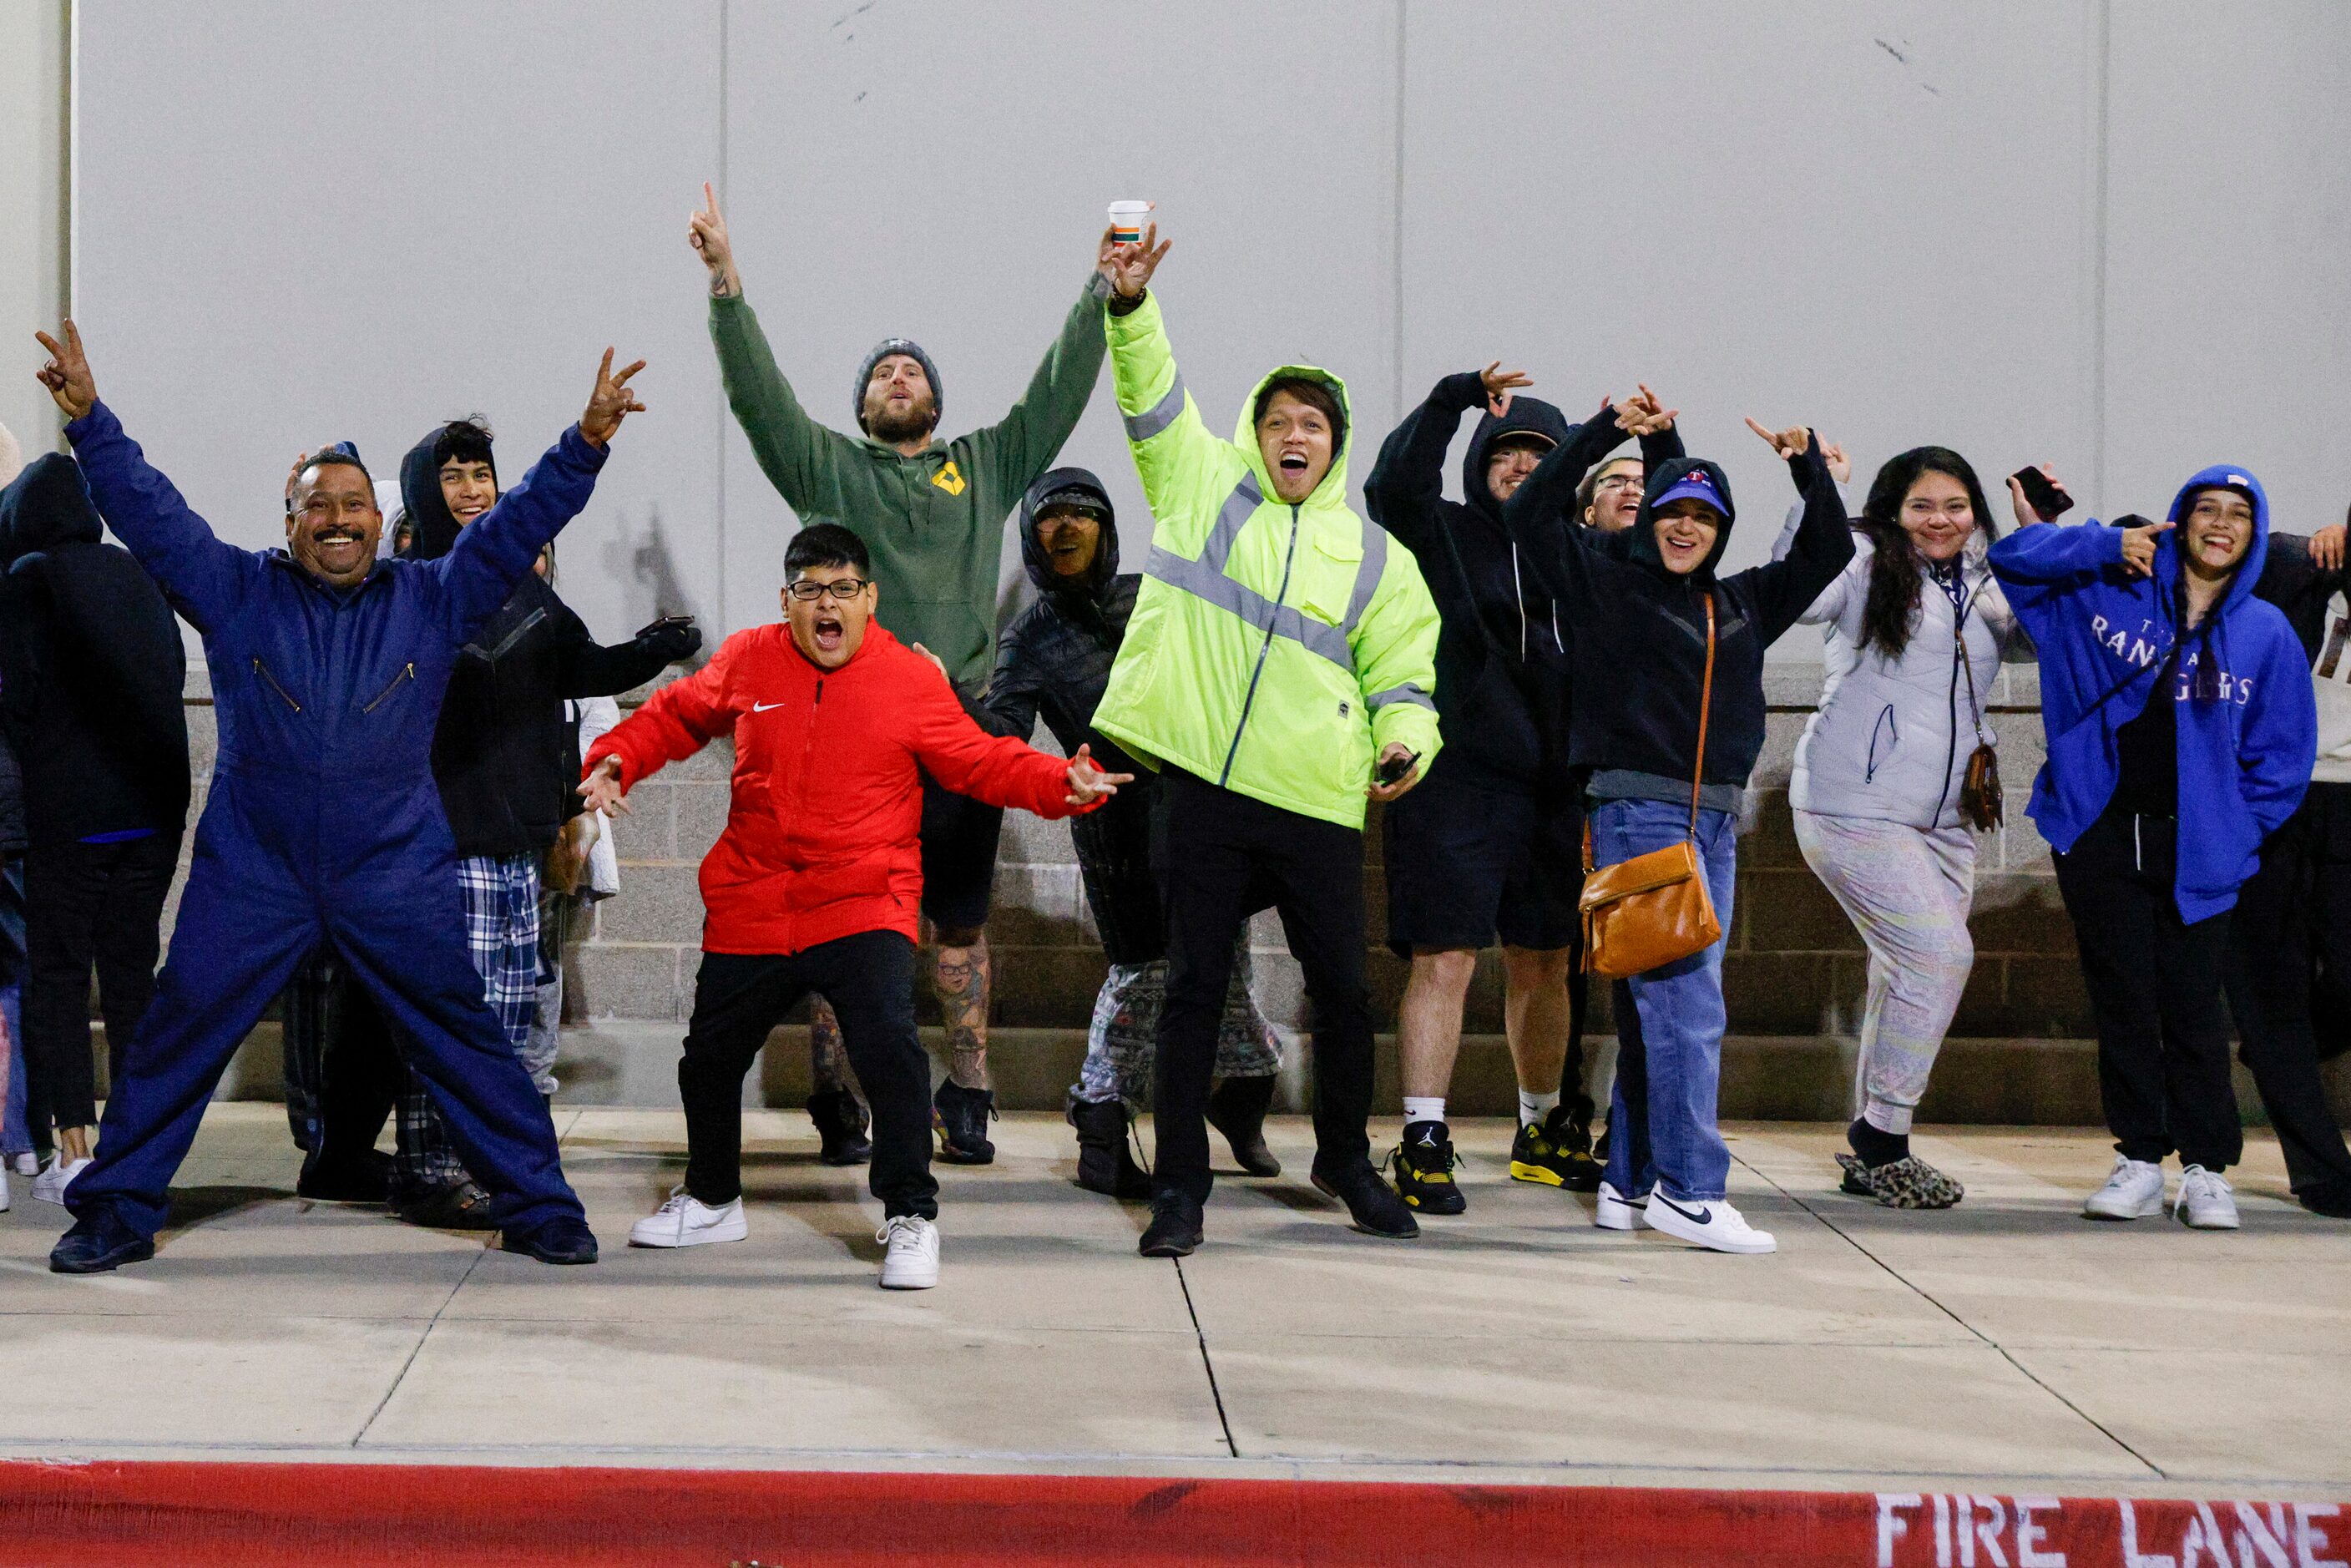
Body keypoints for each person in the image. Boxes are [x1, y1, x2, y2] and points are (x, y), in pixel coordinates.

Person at [31, 319, 641, 1272]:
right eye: (319, 506)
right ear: (290, 521)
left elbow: (518, 523)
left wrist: (586, 443)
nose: (340, 519)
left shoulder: (432, 597)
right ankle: (114, 1208)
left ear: (379, 519)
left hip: (392, 867)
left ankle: (540, 1206)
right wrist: (90, 423)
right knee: (180, 1028)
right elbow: (154, 517)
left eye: (355, 503)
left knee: (464, 1038)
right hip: (255, 869)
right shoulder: (235, 591)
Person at [583, 524, 1126, 1288]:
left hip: (862, 898)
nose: (825, 605)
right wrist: (614, 761)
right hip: (756, 897)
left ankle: (911, 1215)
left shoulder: (907, 679)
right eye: (810, 591)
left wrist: (1054, 784)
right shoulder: (749, 657)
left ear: (869, 599)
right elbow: (674, 715)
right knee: (707, 1061)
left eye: (842, 589)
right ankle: (711, 1198)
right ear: (787, 600)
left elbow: (978, 758)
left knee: (891, 1058)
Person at [689, 184, 1110, 1165]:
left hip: (954, 733)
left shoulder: (987, 464)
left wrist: (1102, 291)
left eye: (911, 368)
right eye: (881, 370)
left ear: (933, 399)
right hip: (851, 739)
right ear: (862, 406)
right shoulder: (829, 471)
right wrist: (725, 288)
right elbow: (761, 400)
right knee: (849, 934)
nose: (897, 373)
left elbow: (1056, 388)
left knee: (957, 932)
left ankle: (969, 1091)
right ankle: (842, 1101)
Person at [1088, 225, 1443, 1257]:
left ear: (1335, 445)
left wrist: (1404, 743)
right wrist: (1129, 307)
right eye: (1279, 421)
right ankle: (1181, 1192)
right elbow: (1149, 398)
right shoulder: (1200, 487)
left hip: (1318, 798)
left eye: (1314, 426)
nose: (1296, 436)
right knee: (1191, 985)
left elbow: (1407, 675)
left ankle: (1342, 1157)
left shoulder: (1375, 555)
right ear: (1256, 432)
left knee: (1341, 988)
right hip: (1206, 789)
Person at [1500, 400, 1856, 1255]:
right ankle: (1692, 1191)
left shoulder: (1739, 604)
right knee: (1687, 1010)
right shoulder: (1601, 584)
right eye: (1672, 512)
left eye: (1703, 516)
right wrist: (1609, 431)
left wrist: (1806, 468)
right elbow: (1526, 514)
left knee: (1653, 1013)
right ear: (1648, 521)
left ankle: (1630, 1183)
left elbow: (1827, 549)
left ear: (1721, 530)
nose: (1685, 527)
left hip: (1713, 825)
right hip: (1636, 816)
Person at [1366, 370, 1681, 1213]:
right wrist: (1452, 399)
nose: (1516, 467)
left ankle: (1539, 1128)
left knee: (1546, 961)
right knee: (1446, 958)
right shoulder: (1438, 531)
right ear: (1479, 464)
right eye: (1503, 454)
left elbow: (1670, 541)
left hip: (1554, 784)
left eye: (1535, 456)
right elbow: (1391, 482)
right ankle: (1423, 1135)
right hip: (1456, 779)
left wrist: (1641, 438)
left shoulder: (1578, 550)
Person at [1990, 466, 2314, 1230]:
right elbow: (2015, 558)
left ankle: (2206, 1171)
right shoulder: (2109, 594)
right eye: (2207, 510)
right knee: (2125, 999)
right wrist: (2105, 542)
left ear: (2255, 533)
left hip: (2201, 850)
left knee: (2195, 1007)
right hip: (2100, 836)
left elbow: (2283, 755)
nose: (2221, 525)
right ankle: (2138, 1157)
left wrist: (2237, 832)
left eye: (2239, 514)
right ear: (2180, 520)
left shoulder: (2265, 631)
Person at [983, 468, 1283, 1199]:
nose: (1066, 528)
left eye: (1082, 515)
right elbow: (1003, 732)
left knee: (1225, 970)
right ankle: (1099, 1124)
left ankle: (1244, 1094)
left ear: (1106, 528)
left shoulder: (1156, 596)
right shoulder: (1029, 637)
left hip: (1205, 814)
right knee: (1143, 975)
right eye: (1050, 519)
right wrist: (947, 713)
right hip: (1117, 833)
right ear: (1032, 538)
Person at [1771, 448, 2032, 1208]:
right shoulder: (1859, 561)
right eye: (1923, 506)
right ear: (1894, 511)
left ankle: (1874, 1136)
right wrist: (1818, 490)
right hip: (1852, 803)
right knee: (1942, 956)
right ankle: (1882, 1143)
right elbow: (1802, 589)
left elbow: (2050, 641)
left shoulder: (1989, 583)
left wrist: (2038, 537)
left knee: (1905, 970)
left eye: (1956, 506)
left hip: (1948, 818)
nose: (1941, 520)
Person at [0, 453, 190, 1208]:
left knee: (57, 979)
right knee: (130, 978)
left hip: (73, 816)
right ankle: (136, 1144)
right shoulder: (136, 571)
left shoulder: (29, 577)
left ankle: (73, 1148)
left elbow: (17, 697)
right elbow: (173, 670)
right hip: (150, 813)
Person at [2231, 513, 2351, 1216]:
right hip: (2272, 800)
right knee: (2267, 983)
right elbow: (2192, 544)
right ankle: (2322, 1172)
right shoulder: (2291, 569)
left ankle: (2283, 1046)